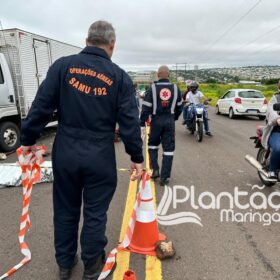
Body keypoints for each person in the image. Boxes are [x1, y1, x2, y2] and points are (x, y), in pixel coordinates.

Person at [20, 21, 143, 280]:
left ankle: (65, 265)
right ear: (112, 45)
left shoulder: (63, 67)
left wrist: (27, 138)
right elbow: (130, 122)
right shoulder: (119, 77)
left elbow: (41, 106)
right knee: (95, 213)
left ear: (86, 41)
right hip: (100, 154)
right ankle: (92, 267)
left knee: (65, 210)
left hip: (66, 151)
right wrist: (136, 157)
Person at [140, 65, 182, 186]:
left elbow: (146, 107)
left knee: (152, 146)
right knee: (168, 150)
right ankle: (165, 177)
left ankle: (155, 170)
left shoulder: (152, 88)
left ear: (158, 75)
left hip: (156, 121)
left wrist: (142, 122)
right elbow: (180, 107)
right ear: (168, 75)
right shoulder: (176, 88)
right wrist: (174, 117)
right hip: (169, 121)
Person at [262, 80, 280, 179]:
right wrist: (277, 119)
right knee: (278, 149)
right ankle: (272, 170)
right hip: (276, 131)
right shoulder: (275, 99)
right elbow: (271, 111)